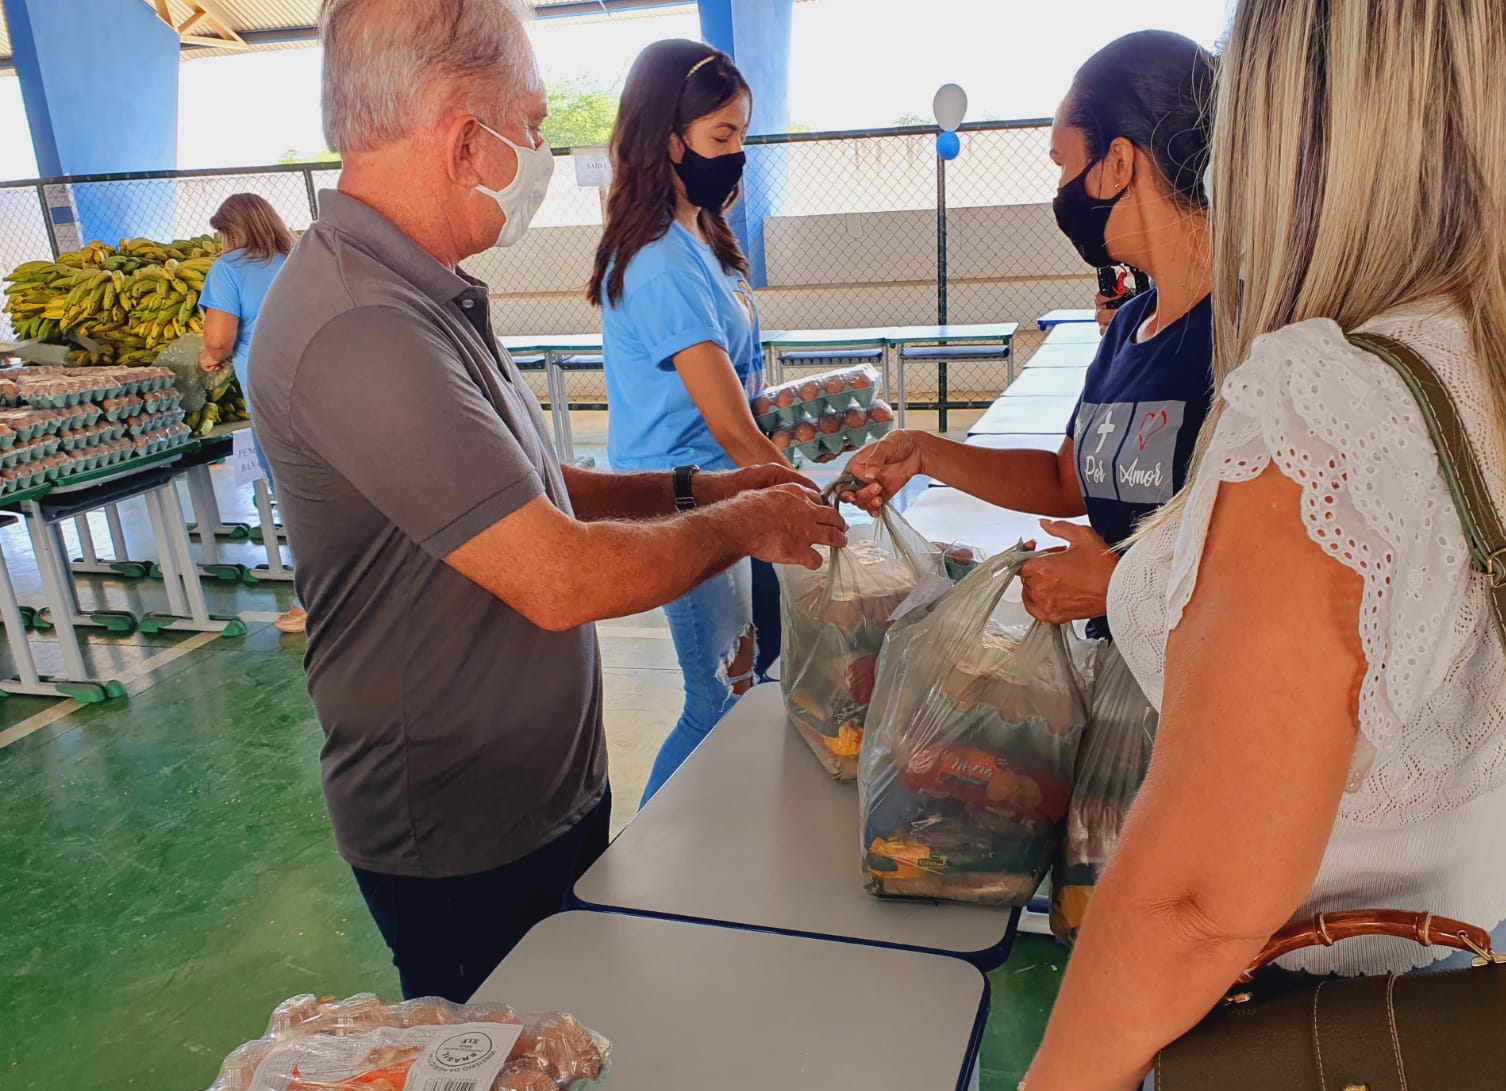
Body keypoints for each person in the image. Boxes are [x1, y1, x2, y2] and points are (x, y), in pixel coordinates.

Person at [1017, 3, 1506, 1091]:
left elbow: (1195, 899)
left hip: (1318, 1059)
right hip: (1503, 976)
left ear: (1307, 119)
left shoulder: (1329, 405)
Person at [248, 0, 846, 1003]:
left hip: (539, 792)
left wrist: (700, 484)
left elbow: (533, 488)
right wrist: (748, 524)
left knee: (587, 1043)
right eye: (526, 126)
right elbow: (557, 578)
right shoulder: (362, 329)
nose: (535, 150)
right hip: (460, 832)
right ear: (455, 128)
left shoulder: (425, 291)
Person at [846, 31, 1215, 640]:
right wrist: (924, 452)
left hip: (1204, 700)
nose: (1061, 191)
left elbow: (1282, 574)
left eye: (1065, 165)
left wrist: (1118, 584)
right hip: (1121, 680)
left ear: (1119, 163)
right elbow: (1067, 482)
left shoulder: (1250, 339)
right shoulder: (1128, 328)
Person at [590, 40, 803, 804]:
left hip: (724, 486)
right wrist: (808, 494)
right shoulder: (659, 261)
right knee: (716, 696)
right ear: (667, 140)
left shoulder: (701, 237)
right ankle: (642, 875)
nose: (737, 156)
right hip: (681, 496)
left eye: (742, 136)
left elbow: (743, 399)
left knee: (746, 681)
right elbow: (732, 426)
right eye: (723, 138)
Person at [196, 193, 304, 633]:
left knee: (297, 501)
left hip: (274, 397)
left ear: (229, 231)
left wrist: (208, 356)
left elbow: (220, 340)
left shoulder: (228, 269)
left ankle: (312, 603)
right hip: (329, 388)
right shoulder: (301, 260)